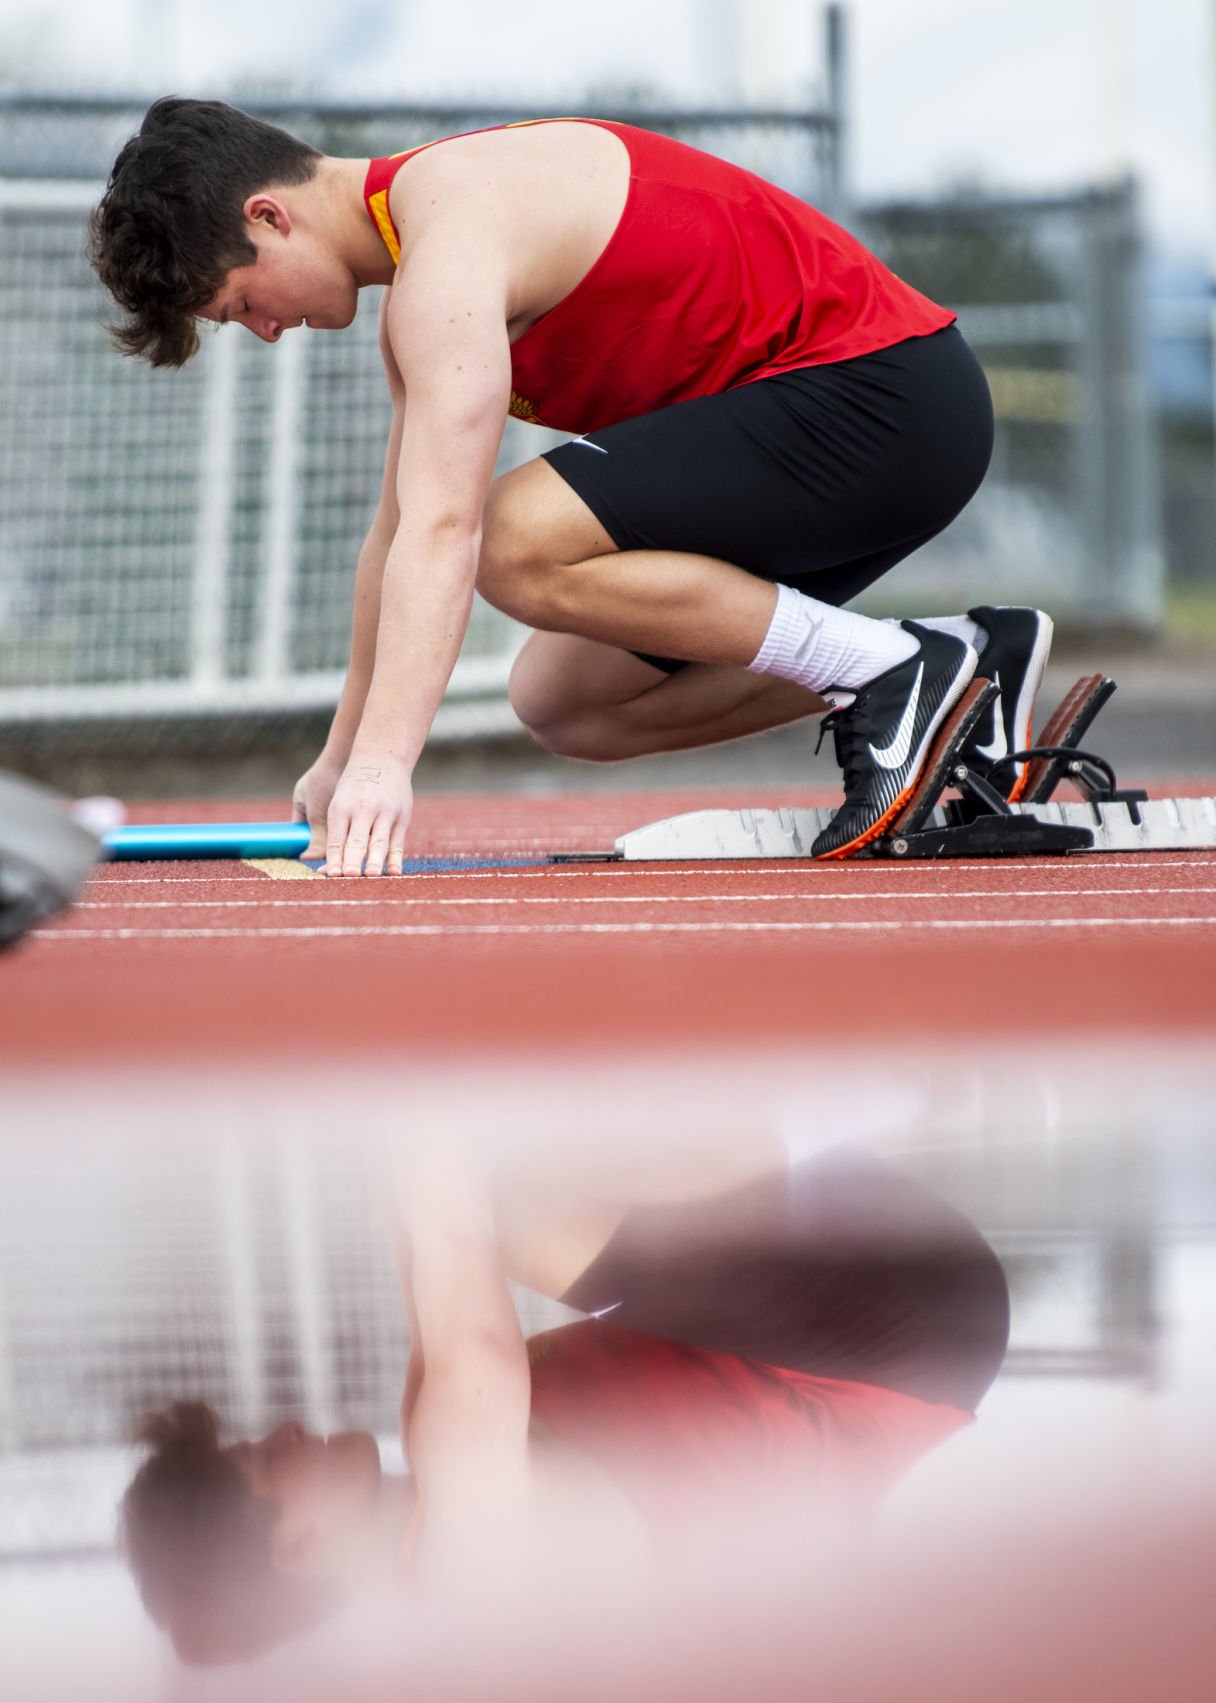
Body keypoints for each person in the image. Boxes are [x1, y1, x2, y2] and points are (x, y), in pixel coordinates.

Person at [89, 99, 1052, 873]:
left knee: (510, 539)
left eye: (243, 303)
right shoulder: (421, 263)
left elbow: (448, 534)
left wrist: (387, 768)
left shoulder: (451, 247)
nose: (263, 330)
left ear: (270, 215)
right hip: (851, 418)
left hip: (893, 397)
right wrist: (342, 754)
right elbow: (393, 539)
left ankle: (887, 673)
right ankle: (950, 657)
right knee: (565, 699)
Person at [121, 1131, 1009, 1665]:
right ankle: (861, 1084)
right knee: (529, 1211)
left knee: (507, 1187)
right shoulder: (470, 1560)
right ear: (298, 1546)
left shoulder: (432, 1493)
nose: (281, 1428)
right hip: (904, 1333)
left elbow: (416, 1220)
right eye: (267, 1458)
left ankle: (845, 1086)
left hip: (867, 1320)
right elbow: (451, 1226)